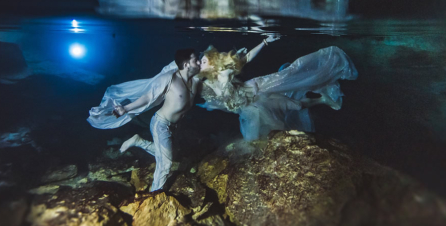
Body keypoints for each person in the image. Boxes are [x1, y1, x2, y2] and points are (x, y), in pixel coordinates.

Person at [198, 36, 357, 140]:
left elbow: (246, 59)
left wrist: (264, 42)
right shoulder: (204, 84)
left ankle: (323, 95)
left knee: (292, 88)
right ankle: (322, 99)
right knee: (274, 127)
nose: (201, 64)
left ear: (212, 64)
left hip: (256, 89)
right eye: (201, 62)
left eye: (204, 61)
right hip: (247, 105)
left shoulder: (224, 72)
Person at [87, 49, 201, 192]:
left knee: (171, 156)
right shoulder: (169, 78)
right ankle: (154, 195)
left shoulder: (195, 80)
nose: (199, 62)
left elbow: (215, 66)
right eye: (195, 60)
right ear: (186, 65)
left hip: (175, 126)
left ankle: (138, 141)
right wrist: (125, 109)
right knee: (165, 163)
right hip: (161, 124)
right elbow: (148, 97)